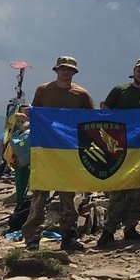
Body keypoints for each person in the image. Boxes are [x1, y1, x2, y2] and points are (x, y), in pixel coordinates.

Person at [25, 55, 96, 252]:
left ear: (74, 72)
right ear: (56, 70)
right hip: (45, 152)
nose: (65, 71)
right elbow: (36, 114)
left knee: (68, 197)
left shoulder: (82, 95)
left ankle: (69, 237)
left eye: (69, 69)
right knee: (39, 196)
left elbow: (91, 121)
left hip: (69, 153)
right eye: (62, 68)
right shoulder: (43, 90)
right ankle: (32, 239)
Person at [96, 57, 140, 248]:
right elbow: (105, 108)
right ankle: (109, 230)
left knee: (139, 191)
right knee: (118, 190)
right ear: (134, 71)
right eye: (139, 70)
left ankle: (131, 228)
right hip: (119, 148)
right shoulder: (120, 90)